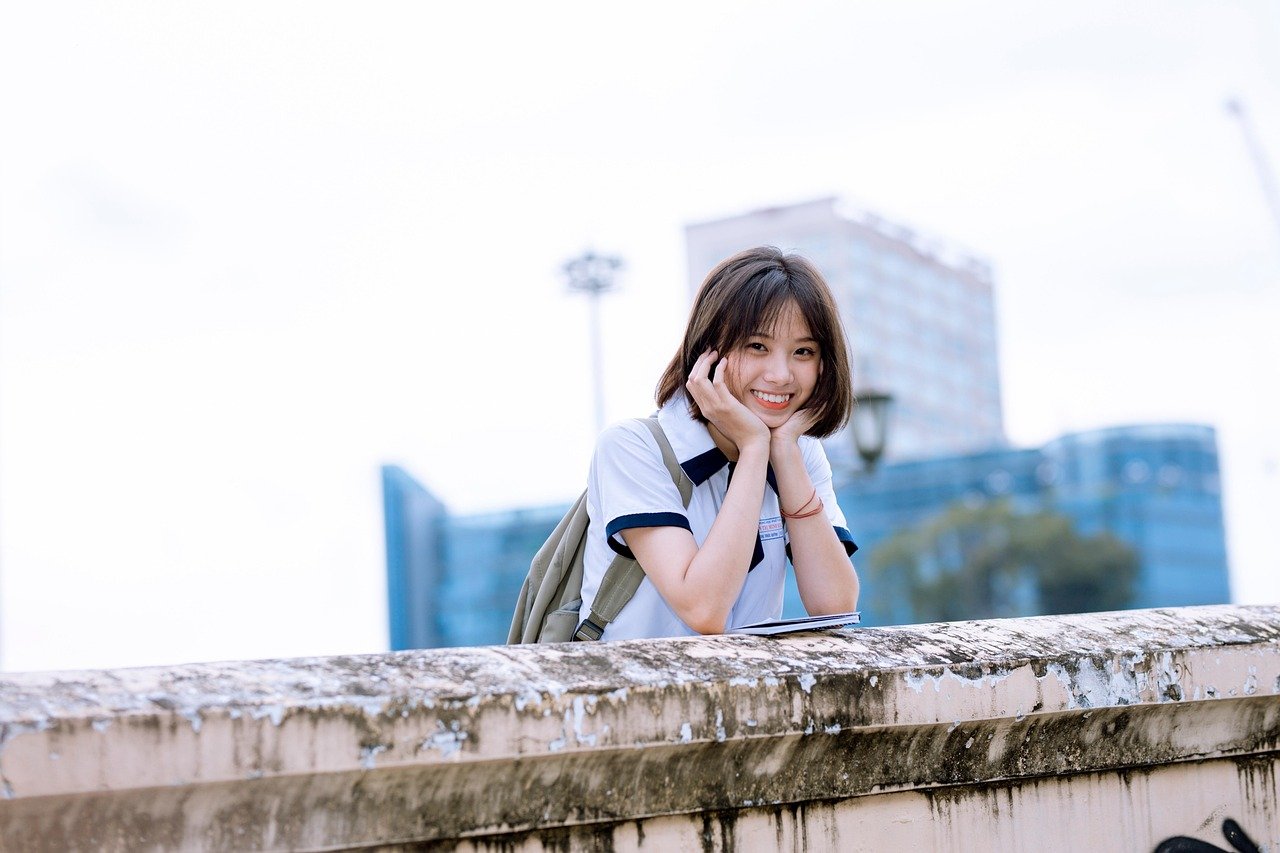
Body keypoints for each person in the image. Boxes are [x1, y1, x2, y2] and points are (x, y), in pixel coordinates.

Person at [580, 246, 860, 640]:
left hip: (749, 695)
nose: (781, 375)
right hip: (638, 695)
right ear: (707, 352)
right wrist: (753, 448)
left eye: (803, 352)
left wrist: (779, 452)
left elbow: (835, 607)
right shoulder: (633, 448)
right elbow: (704, 609)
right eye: (757, 346)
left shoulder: (797, 452)